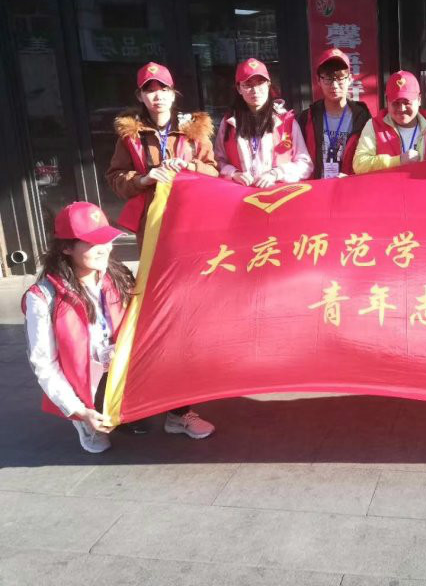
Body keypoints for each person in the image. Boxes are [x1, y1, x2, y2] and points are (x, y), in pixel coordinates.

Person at [22, 203, 215, 453]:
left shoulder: (117, 275)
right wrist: (78, 410)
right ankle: (85, 422)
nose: (105, 248)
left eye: (106, 239)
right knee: (120, 427)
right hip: (87, 381)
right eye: (92, 242)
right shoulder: (42, 297)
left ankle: (178, 415)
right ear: (66, 248)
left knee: (177, 345)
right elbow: (44, 363)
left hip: (123, 367)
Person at [106, 62, 218, 242]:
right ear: (140, 96)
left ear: (173, 94)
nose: (158, 96)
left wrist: (188, 166)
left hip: (190, 217)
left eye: (164, 90)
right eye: (150, 91)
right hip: (152, 220)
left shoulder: (194, 130)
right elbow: (115, 178)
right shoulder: (131, 135)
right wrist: (143, 180)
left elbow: (214, 172)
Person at [215, 58, 312, 187]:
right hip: (242, 194)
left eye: (260, 83)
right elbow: (218, 161)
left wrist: (277, 173)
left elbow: (305, 164)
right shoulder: (229, 123)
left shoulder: (286, 121)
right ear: (239, 89)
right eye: (248, 85)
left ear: (268, 84)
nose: (255, 91)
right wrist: (233, 173)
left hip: (278, 195)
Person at [352, 70, 426, 174]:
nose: (401, 109)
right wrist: (398, 161)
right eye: (396, 103)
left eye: (407, 102)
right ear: (387, 100)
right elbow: (359, 164)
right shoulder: (373, 126)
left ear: (419, 100)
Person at [297, 48, 372, 179]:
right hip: (317, 187)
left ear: (350, 79)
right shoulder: (307, 118)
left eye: (340, 78)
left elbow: (369, 157)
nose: (334, 85)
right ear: (318, 80)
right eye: (328, 78)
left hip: (350, 185)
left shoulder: (363, 118)